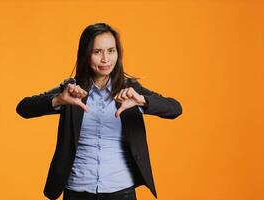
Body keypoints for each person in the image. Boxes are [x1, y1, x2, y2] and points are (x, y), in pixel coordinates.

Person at [16, 22, 182, 200]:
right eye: (97, 52)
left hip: (121, 190)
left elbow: (175, 108)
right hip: (77, 190)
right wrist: (58, 99)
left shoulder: (131, 90)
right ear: (85, 55)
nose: (106, 59)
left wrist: (142, 100)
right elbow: (24, 108)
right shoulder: (72, 90)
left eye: (111, 51)